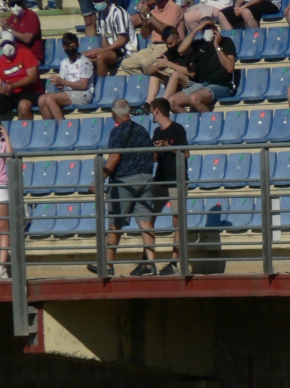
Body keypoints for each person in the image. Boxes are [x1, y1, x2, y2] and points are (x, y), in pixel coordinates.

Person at [87, 99, 158, 278]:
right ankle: (150, 264)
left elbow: (114, 157)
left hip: (124, 181)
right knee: (145, 221)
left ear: (114, 114)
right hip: (147, 178)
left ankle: (108, 265)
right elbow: (154, 155)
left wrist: (99, 179)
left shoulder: (117, 131)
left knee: (115, 224)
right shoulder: (141, 130)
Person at [150, 97, 189, 276]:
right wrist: (155, 151)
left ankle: (174, 262)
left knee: (177, 220)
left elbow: (186, 154)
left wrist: (167, 146)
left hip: (176, 179)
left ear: (157, 110)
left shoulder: (177, 129)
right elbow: (154, 158)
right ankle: (148, 261)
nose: (151, 113)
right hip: (160, 179)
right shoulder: (156, 131)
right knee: (148, 218)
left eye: (152, 109)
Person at [167, 19, 237, 113]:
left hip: (222, 85)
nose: (207, 30)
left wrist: (217, 46)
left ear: (215, 28)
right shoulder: (199, 44)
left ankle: (208, 124)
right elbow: (181, 50)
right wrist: (196, 29)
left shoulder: (226, 42)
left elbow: (229, 68)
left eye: (209, 27)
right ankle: (192, 123)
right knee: (171, 102)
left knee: (194, 98)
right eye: (204, 28)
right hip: (202, 84)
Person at [38, 33, 95, 120]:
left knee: (49, 98)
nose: (70, 49)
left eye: (72, 46)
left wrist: (62, 82)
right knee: (41, 99)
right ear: (63, 47)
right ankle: (51, 127)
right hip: (68, 92)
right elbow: (62, 85)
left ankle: (62, 126)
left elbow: (83, 85)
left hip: (83, 94)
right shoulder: (64, 63)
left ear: (77, 45)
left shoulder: (84, 62)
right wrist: (57, 82)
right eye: (67, 47)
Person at [121, 0, 186, 75]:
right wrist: (145, 20)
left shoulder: (174, 8)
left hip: (167, 46)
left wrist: (148, 15)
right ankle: (147, 81)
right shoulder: (153, 11)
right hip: (152, 46)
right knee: (126, 64)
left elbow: (165, 30)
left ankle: (166, 79)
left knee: (145, 62)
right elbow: (145, 35)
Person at [85, 0, 139, 77]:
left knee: (100, 56)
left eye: (99, 1)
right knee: (83, 56)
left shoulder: (118, 12)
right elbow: (104, 39)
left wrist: (102, 51)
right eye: (95, 1)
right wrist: (99, 51)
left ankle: (100, 85)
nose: (98, 3)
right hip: (111, 50)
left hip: (125, 51)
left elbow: (122, 40)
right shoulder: (100, 15)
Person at [0, 30, 42, 120]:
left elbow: (33, 77)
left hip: (30, 90)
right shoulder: (1, 61)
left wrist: (14, 85)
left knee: (23, 106)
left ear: (14, 43)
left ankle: (24, 132)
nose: (6, 46)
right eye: (3, 44)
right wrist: (5, 90)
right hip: (11, 94)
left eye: (9, 43)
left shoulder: (25, 53)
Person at [144, 28, 188, 107]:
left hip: (192, 83)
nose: (169, 46)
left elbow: (191, 73)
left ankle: (163, 104)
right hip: (178, 83)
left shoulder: (189, 50)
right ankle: (148, 104)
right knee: (155, 74)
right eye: (166, 44)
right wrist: (158, 67)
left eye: (171, 43)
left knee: (175, 74)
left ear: (178, 38)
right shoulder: (170, 52)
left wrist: (168, 64)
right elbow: (147, 70)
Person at [0, 0, 43, 66]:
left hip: (31, 56)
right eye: (12, 4)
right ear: (8, 6)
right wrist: (4, 29)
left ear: (23, 3)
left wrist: (9, 29)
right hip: (15, 56)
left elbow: (27, 39)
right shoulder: (12, 18)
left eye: (18, 3)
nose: (15, 6)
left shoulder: (30, 15)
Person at [0, 125, 9, 280]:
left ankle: (2, 266)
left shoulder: (2, 142)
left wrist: (6, 136)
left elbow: (10, 157)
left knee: (3, 226)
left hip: (2, 185)